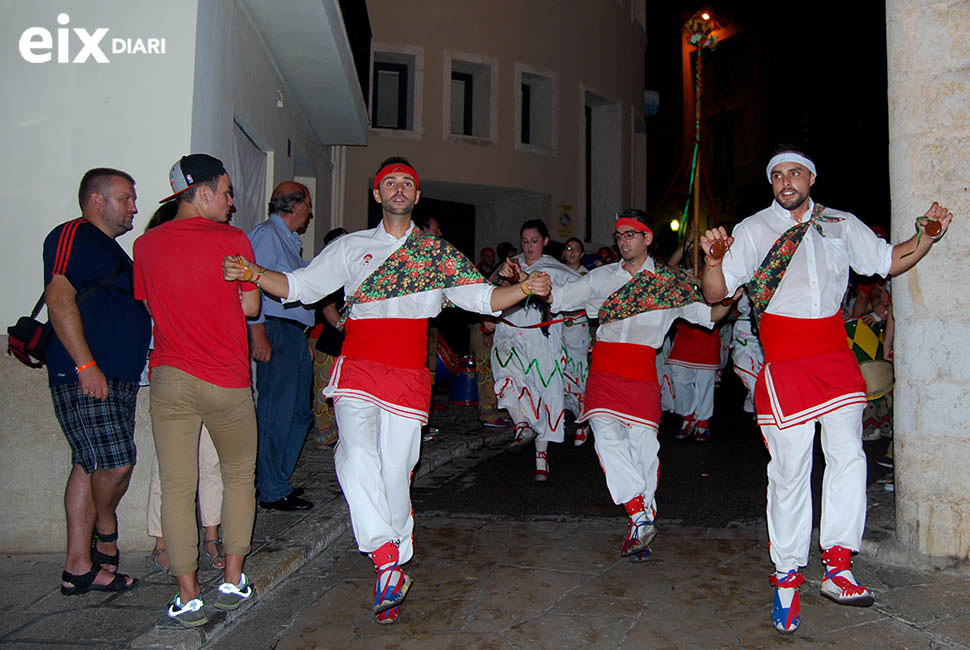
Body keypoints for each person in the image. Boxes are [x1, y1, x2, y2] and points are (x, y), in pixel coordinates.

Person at [222, 156, 551, 624]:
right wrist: (254, 274)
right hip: (357, 366)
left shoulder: (436, 254)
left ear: (417, 196)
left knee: (397, 473)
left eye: (407, 184)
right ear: (377, 194)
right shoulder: (352, 247)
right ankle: (383, 557)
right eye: (389, 183)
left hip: (408, 373)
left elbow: (482, 298)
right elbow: (299, 286)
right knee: (354, 456)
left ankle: (394, 562)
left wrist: (524, 290)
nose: (398, 189)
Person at [700, 146, 953, 635]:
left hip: (834, 357)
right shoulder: (753, 230)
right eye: (777, 174)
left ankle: (838, 566)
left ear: (811, 179)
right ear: (771, 183)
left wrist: (926, 237)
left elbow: (887, 260)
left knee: (848, 459)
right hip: (787, 362)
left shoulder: (840, 222)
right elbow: (715, 293)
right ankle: (788, 577)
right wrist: (715, 260)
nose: (786, 180)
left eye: (795, 172)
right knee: (790, 472)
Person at [550, 209, 732, 561]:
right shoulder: (600, 277)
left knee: (644, 450)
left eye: (631, 235)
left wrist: (729, 297)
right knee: (605, 436)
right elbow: (558, 300)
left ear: (647, 238)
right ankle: (637, 510)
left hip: (642, 372)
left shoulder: (668, 282)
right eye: (619, 235)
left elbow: (708, 316)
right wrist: (530, 284)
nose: (623, 241)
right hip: (604, 368)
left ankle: (641, 525)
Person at [133, 154, 260, 627]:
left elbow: (149, 304)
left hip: (171, 377)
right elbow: (250, 307)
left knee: (177, 487)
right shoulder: (232, 240)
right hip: (226, 378)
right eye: (226, 192)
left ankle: (187, 595)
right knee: (237, 477)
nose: (231, 202)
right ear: (202, 193)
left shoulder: (145, 245)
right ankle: (231, 579)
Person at [45, 167, 151, 596]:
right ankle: (105, 533)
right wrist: (87, 366)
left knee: (88, 464)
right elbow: (58, 294)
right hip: (88, 373)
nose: (134, 207)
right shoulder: (74, 234)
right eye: (126, 198)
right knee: (115, 462)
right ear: (96, 200)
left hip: (116, 376)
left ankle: (79, 568)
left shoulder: (113, 252)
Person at [141, 201, 225, 574]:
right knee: (172, 467)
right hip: (174, 370)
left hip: (215, 370)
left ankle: (211, 535)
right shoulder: (151, 257)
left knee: (213, 460)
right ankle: (163, 540)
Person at [491, 220, 581, 480]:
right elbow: (489, 290)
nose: (529, 246)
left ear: (545, 241)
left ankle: (541, 456)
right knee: (507, 374)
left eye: (534, 241)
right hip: (510, 331)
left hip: (542, 338)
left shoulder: (556, 269)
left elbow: (579, 293)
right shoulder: (511, 264)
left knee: (544, 390)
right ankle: (521, 424)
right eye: (525, 241)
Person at [248, 182, 316, 512]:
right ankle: (271, 488)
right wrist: (256, 331)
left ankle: (277, 480)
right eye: (308, 205)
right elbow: (251, 283)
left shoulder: (289, 241)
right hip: (276, 330)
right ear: (294, 206)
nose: (310, 212)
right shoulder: (267, 235)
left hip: (294, 334)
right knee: (277, 413)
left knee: (300, 413)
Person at [309, 227, 348, 448]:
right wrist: (348, 329)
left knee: (334, 387)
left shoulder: (340, 273)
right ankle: (324, 433)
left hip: (334, 339)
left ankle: (332, 431)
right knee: (324, 387)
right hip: (325, 339)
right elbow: (327, 309)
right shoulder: (328, 272)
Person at [560, 237, 591, 444]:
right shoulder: (556, 273)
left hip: (579, 329)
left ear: (581, 254)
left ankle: (584, 421)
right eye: (569, 248)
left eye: (576, 249)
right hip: (558, 328)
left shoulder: (588, 276)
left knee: (578, 374)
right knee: (559, 373)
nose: (572, 252)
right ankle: (559, 417)